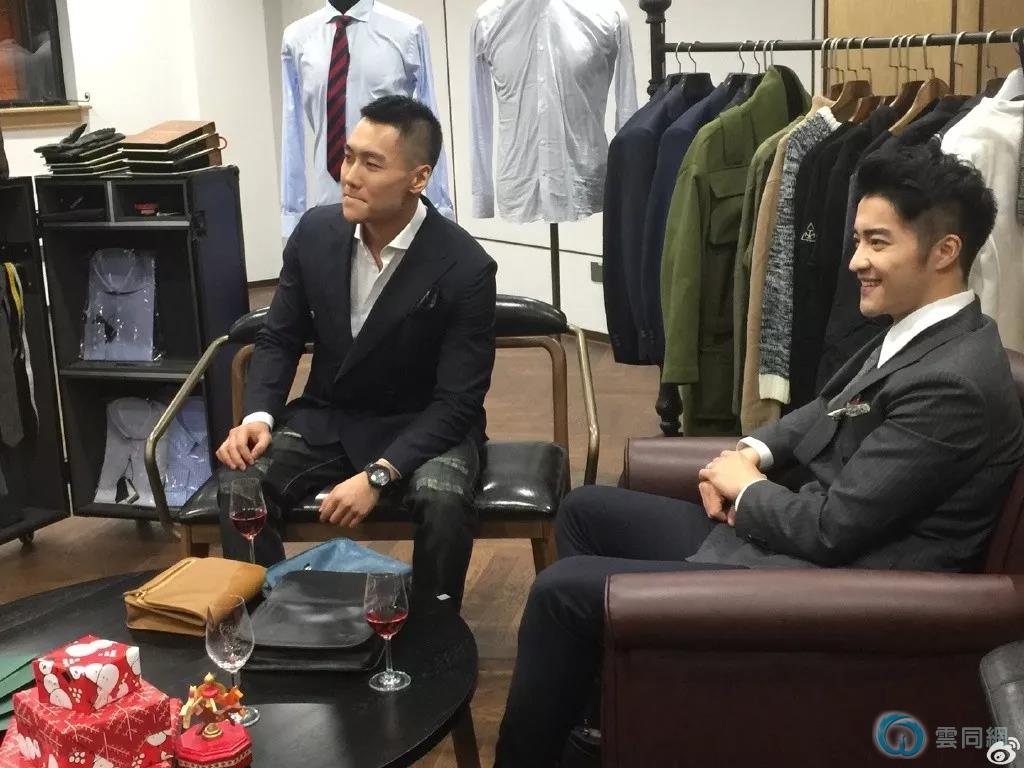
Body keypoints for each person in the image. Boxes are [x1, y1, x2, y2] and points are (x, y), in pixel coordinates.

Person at [494, 144, 1024, 766]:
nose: (856, 260)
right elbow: (825, 409)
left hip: (832, 589)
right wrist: (748, 451)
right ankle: (606, 719)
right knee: (585, 510)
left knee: (561, 591)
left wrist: (745, 488)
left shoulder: (953, 382)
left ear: (944, 251)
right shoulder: (918, 334)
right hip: (789, 544)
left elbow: (833, 530)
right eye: (858, 240)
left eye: (877, 243)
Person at [216, 95, 497, 610]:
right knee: (242, 483)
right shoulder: (315, 233)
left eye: (372, 164)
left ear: (418, 178)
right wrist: (258, 416)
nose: (349, 176)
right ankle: (273, 625)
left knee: (442, 500)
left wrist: (379, 475)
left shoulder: (465, 266)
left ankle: (433, 639)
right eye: (348, 157)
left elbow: (458, 401)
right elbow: (280, 336)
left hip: (426, 426)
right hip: (332, 416)